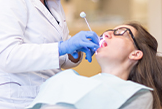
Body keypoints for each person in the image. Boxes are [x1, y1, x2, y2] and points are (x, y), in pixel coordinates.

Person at [27, 22, 162, 109]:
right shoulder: (65, 80)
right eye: (108, 31)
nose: (107, 34)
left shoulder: (136, 95)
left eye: (120, 33)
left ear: (136, 54)